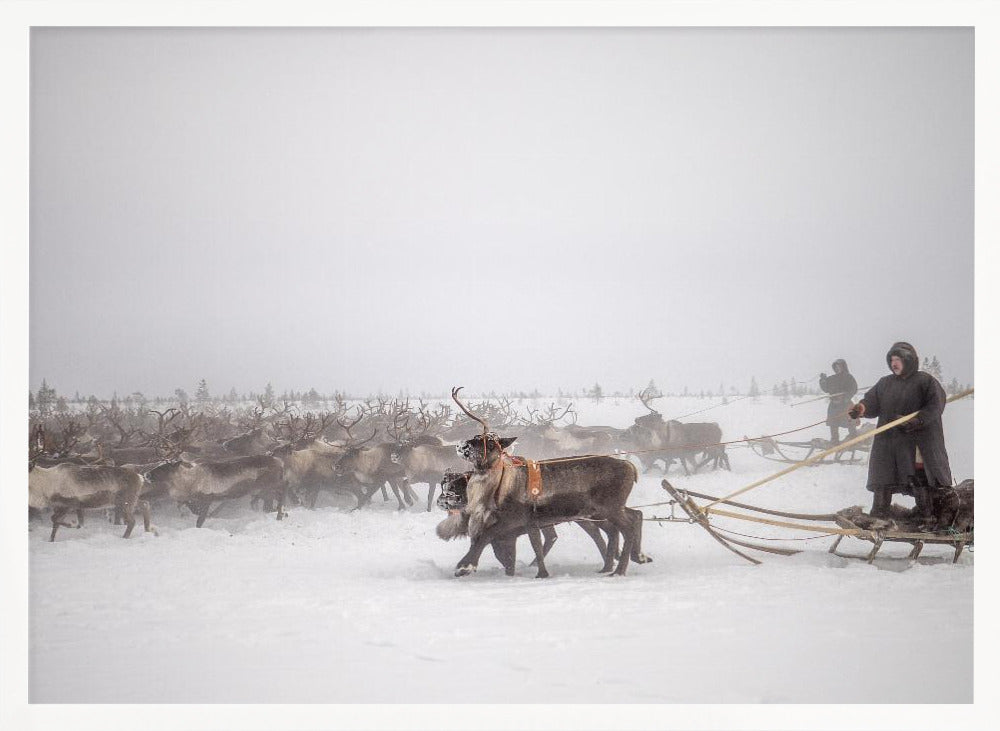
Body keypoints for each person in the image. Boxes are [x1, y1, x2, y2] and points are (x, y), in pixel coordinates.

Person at [847, 341, 953, 530]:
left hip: (917, 439)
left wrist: (917, 421)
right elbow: (871, 402)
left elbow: (935, 406)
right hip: (889, 440)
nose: (894, 363)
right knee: (882, 471)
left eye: (899, 360)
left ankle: (926, 514)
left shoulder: (925, 381)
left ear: (909, 361)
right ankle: (880, 511)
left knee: (919, 474)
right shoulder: (885, 383)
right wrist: (861, 409)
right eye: (892, 360)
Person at [818, 359, 858, 445]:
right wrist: (823, 380)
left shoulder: (848, 377)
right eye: (836, 367)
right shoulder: (832, 378)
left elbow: (854, 388)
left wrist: (846, 397)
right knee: (833, 423)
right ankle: (835, 441)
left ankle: (854, 440)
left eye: (839, 366)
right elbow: (826, 388)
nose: (837, 368)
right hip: (834, 406)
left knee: (850, 422)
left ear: (843, 366)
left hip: (846, 404)